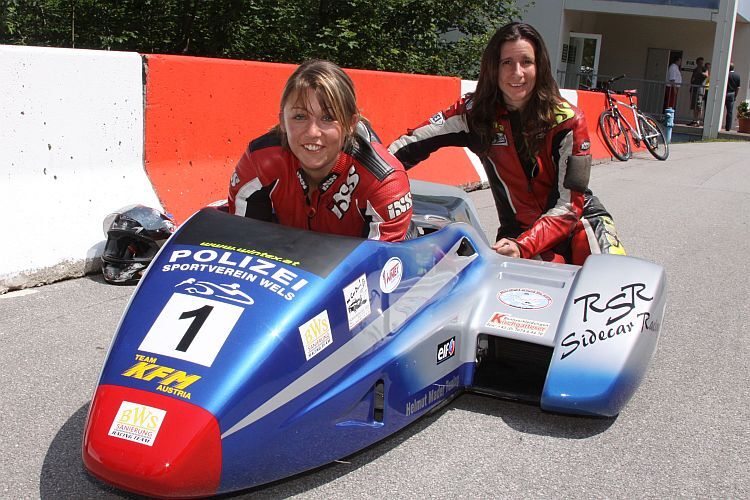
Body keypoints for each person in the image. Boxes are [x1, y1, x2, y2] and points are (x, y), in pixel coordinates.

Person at [388, 22, 625, 265]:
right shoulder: (473, 114)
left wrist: (524, 245)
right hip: (517, 235)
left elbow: (570, 206)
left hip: (580, 225)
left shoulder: (568, 120)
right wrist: (371, 176)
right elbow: (409, 145)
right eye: (507, 63)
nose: (517, 73)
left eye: (526, 62)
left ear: (540, 66)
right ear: (493, 68)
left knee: (612, 286)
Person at [227, 59, 413, 242]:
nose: (312, 132)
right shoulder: (259, 159)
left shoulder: (384, 181)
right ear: (283, 121)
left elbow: (382, 267)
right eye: (300, 116)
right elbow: (240, 244)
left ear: (350, 124)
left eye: (328, 117)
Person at [689, 57, 708, 126]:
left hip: (700, 90)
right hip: (694, 89)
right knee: (694, 106)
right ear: (697, 63)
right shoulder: (695, 70)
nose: (701, 64)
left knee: (699, 106)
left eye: (702, 63)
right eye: (699, 63)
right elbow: (692, 79)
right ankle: (694, 120)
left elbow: (706, 75)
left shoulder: (704, 69)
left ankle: (698, 121)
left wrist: (701, 73)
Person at [725, 62, 741, 131]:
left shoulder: (726, 74)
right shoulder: (737, 76)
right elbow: (738, 87)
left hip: (724, 93)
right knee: (730, 111)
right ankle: (728, 127)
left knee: (718, 109)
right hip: (732, 94)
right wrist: (735, 96)